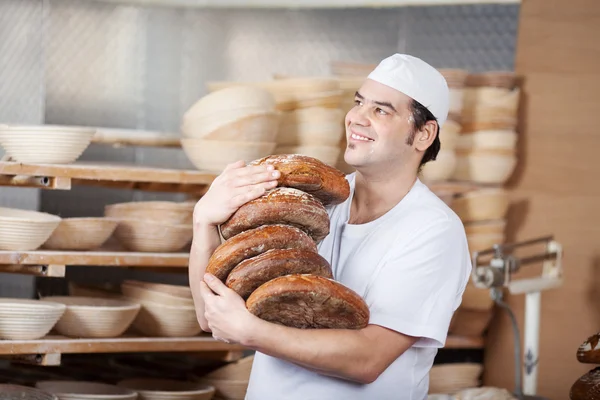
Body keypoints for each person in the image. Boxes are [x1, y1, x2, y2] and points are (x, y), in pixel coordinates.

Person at [189, 53, 472, 400]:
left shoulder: (432, 230)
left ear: (424, 134)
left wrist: (252, 331)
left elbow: (368, 359)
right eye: (358, 103)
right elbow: (210, 316)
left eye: (380, 110)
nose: (356, 118)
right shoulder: (308, 203)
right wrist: (203, 220)